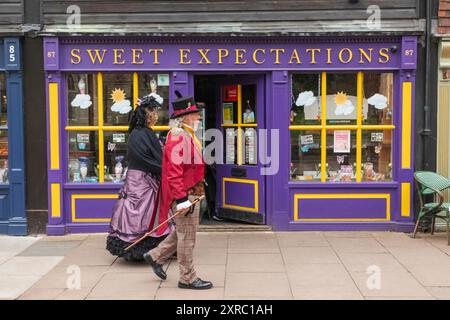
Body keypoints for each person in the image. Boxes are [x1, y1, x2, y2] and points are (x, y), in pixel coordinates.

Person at [143, 92, 213, 290]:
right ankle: (187, 278)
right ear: (186, 117)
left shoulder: (187, 134)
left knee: (184, 232)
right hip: (185, 194)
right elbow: (174, 172)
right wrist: (182, 199)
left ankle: (155, 256)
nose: (199, 117)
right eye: (195, 114)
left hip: (193, 192)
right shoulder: (177, 136)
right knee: (187, 238)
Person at [106, 93, 172, 262]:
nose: (156, 117)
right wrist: (164, 168)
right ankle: (143, 249)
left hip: (137, 177)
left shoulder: (139, 132)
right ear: (147, 115)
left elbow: (150, 156)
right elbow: (147, 158)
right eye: (154, 113)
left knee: (142, 212)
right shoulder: (143, 133)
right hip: (142, 179)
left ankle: (148, 249)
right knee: (145, 213)